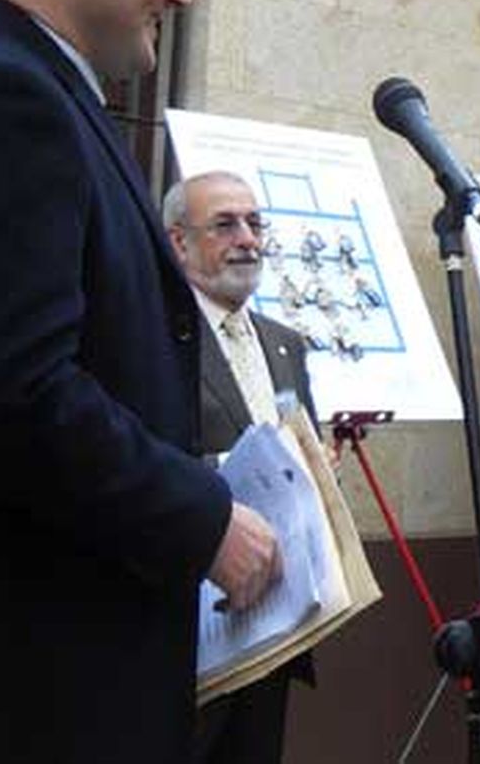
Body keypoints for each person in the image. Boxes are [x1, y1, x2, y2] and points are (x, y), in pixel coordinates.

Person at [0, 0, 280, 762]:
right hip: (49, 676)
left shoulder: (52, 94)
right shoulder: (13, 95)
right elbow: (20, 385)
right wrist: (198, 518)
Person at [165, 171, 319, 764]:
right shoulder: (160, 333)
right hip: (193, 625)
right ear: (179, 243)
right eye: (225, 224)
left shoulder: (286, 343)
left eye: (256, 223)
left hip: (278, 624)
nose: (248, 239)